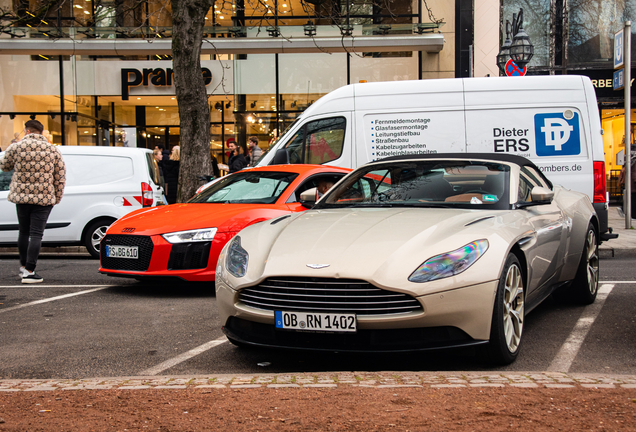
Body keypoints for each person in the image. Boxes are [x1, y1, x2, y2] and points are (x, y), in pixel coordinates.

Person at [0, 120, 66, 283]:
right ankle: (30, 271)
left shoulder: (17, 147)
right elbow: (60, 176)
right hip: (44, 198)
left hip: (22, 197)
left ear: (27, 131)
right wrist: (56, 197)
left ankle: (23, 268)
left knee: (23, 231)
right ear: (41, 133)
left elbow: (4, 166)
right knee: (37, 233)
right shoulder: (52, 150)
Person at [619, 145, 636, 217]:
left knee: (631, 200)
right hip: (634, 185)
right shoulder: (634, 160)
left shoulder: (628, 159)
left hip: (629, 185)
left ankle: (631, 214)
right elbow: (634, 174)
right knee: (634, 201)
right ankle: (633, 215)